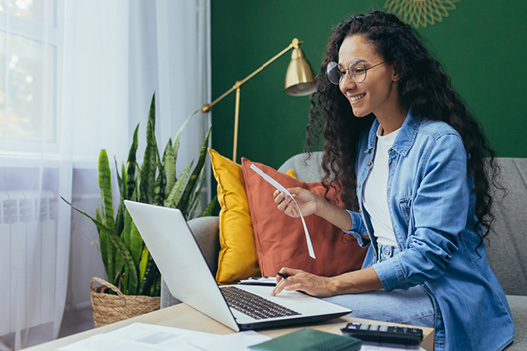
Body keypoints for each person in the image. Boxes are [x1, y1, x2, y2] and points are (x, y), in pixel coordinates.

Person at [271, 11, 514, 351]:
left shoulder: (439, 144)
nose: (346, 84)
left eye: (359, 69)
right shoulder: (371, 140)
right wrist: (320, 207)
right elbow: (383, 230)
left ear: (396, 69)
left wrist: (331, 284)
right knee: (289, 306)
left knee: (309, 312)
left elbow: (427, 255)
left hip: (437, 296)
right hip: (392, 288)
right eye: (340, 72)